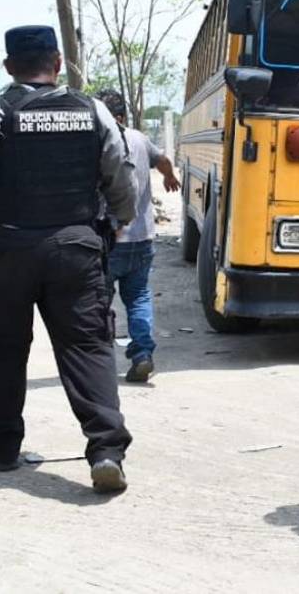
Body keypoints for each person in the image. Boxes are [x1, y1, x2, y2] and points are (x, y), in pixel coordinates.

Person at [0, 26, 137, 494]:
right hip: (76, 247)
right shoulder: (94, 111)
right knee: (87, 347)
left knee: (3, 349)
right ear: (59, 62)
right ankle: (106, 451)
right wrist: (121, 219)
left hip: (10, 249)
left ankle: (2, 448)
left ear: (9, 67)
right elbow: (120, 172)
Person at [95, 89, 180, 384]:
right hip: (142, 238)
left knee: (99, 300)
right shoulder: (140, 139)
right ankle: (142, 354)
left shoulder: (98, 140)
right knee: (139, 296)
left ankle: (100, 361)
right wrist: (169, 176)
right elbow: (164, 160)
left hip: (110, 238)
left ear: (115, 117)